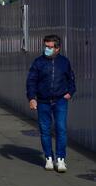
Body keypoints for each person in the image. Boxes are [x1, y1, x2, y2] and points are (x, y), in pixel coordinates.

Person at [26, 35, 76, 173]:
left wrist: (70, 92)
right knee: (45, 130)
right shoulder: (38, 62)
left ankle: (60, 159)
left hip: (60, 100)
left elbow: (71, 79)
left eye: (49, 47)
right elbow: (31, 81)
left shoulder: (64, 62)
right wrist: (32, 98)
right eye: (45, 46)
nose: (46, 49)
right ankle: (48, 157)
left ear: (57, 48)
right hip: (43, 101)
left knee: (61, 129)